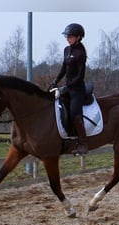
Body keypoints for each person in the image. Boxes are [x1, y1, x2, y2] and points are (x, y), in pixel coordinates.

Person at [51, 23, 88, 155]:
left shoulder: (81, 53)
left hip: (77, 89)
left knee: (74, 114)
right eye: (67, 36)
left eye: (70, 36)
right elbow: (63, 68)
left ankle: (83, 143)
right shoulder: (67, 50)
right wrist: (56, 80)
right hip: (67, 87)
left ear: (78, 37)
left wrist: (70, 84)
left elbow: (80, 75)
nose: (67, 38)